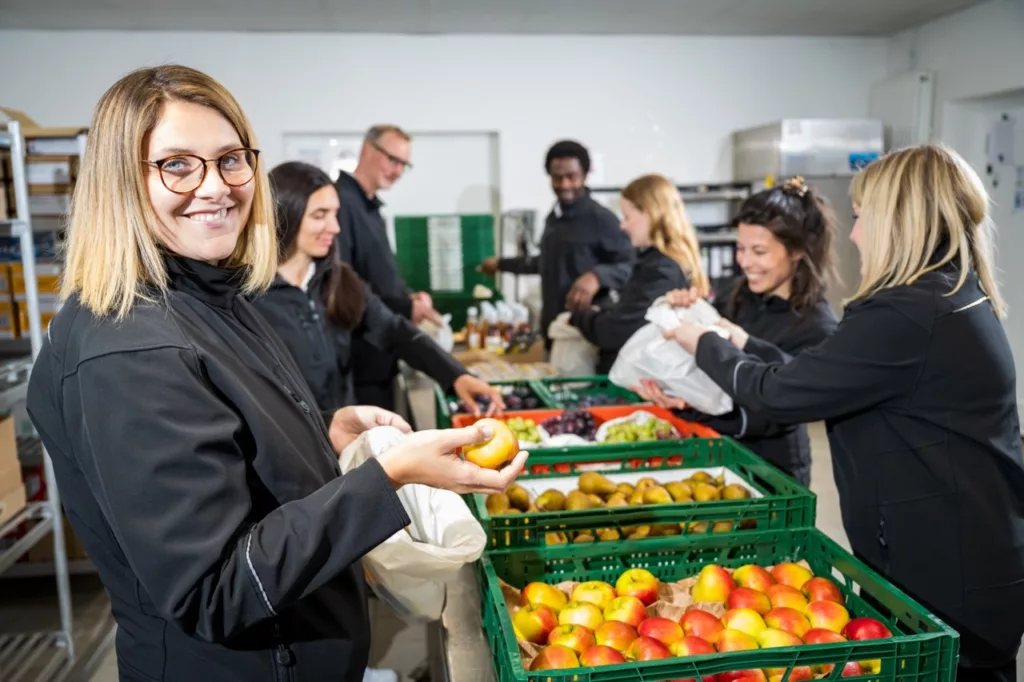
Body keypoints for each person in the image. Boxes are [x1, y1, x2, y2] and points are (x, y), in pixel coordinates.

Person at [25, 65, 527, 682]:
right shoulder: (130, 349)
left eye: (230, 159)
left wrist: (323, 433)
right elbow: (214, 591)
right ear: (119, 182)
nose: (215, 186)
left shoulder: (210, 294)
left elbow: (218, 441)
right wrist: (388, 476)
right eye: (177, 165)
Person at [647, 145, 1024, 681]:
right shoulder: (944, 299)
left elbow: (779, 395)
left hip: (949, 578)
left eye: (862, 217)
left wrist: (703, 342)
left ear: (899, 220)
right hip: (975, 558)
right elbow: (825, 377)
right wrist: (743, 341)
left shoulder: (905, 313)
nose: (853, 235)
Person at [254, 160, 504, 415]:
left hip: (344, 441)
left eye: (334, 214)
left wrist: (455, 375)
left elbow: (394, 331)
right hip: (292, 446)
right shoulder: (249, 297)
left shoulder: (339, 280)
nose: (335, 228)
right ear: (284, 213)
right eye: (320, 215)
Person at [636, 177, 839, 486]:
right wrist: (680, 308)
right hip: (717, 458)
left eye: (759, 251)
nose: (744, 262)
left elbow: (771, 410)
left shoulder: (817, 327)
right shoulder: (737, 294)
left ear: (797, 251)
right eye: (740, 248)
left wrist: (695, 407)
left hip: (771, 471)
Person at [479, 140, 635, 346]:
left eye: (572, 177)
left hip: (585, 333)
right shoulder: (554, 218)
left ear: (586, 174)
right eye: (557, 178)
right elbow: (546, 262)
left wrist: (597, 276)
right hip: (554, 328)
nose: (564, 185)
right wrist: (501, 264)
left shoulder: (601, 219)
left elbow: (631, 265)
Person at [335, 124, 441, 410]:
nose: (397, 171)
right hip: (359, 357)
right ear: (368, 150)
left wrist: (408, 298)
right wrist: (406, 309)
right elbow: (344, 282)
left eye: (403, 165)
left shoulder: (370, 207)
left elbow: (379, 274)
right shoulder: (342, 203)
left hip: (381, 351)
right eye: (393, 160)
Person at [568, 173, 709, 374]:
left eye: (627, 217)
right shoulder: (653, 262)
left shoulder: (662, 271)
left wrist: (581, 316)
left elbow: (615, 332)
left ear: (651, 214)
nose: (622, 225)